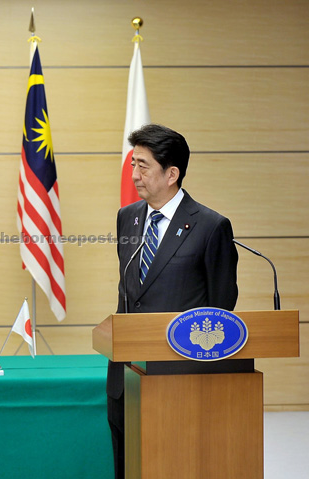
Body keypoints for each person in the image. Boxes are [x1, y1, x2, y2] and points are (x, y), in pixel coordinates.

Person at [108, 124, 238, 479]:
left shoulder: (211, 226)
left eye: (143, 166)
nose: (133, 175)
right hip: (126, 374)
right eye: (133, 164)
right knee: (128, 464)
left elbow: (222, 305)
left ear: (172, 173)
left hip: (181, 379)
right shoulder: (128, 218)